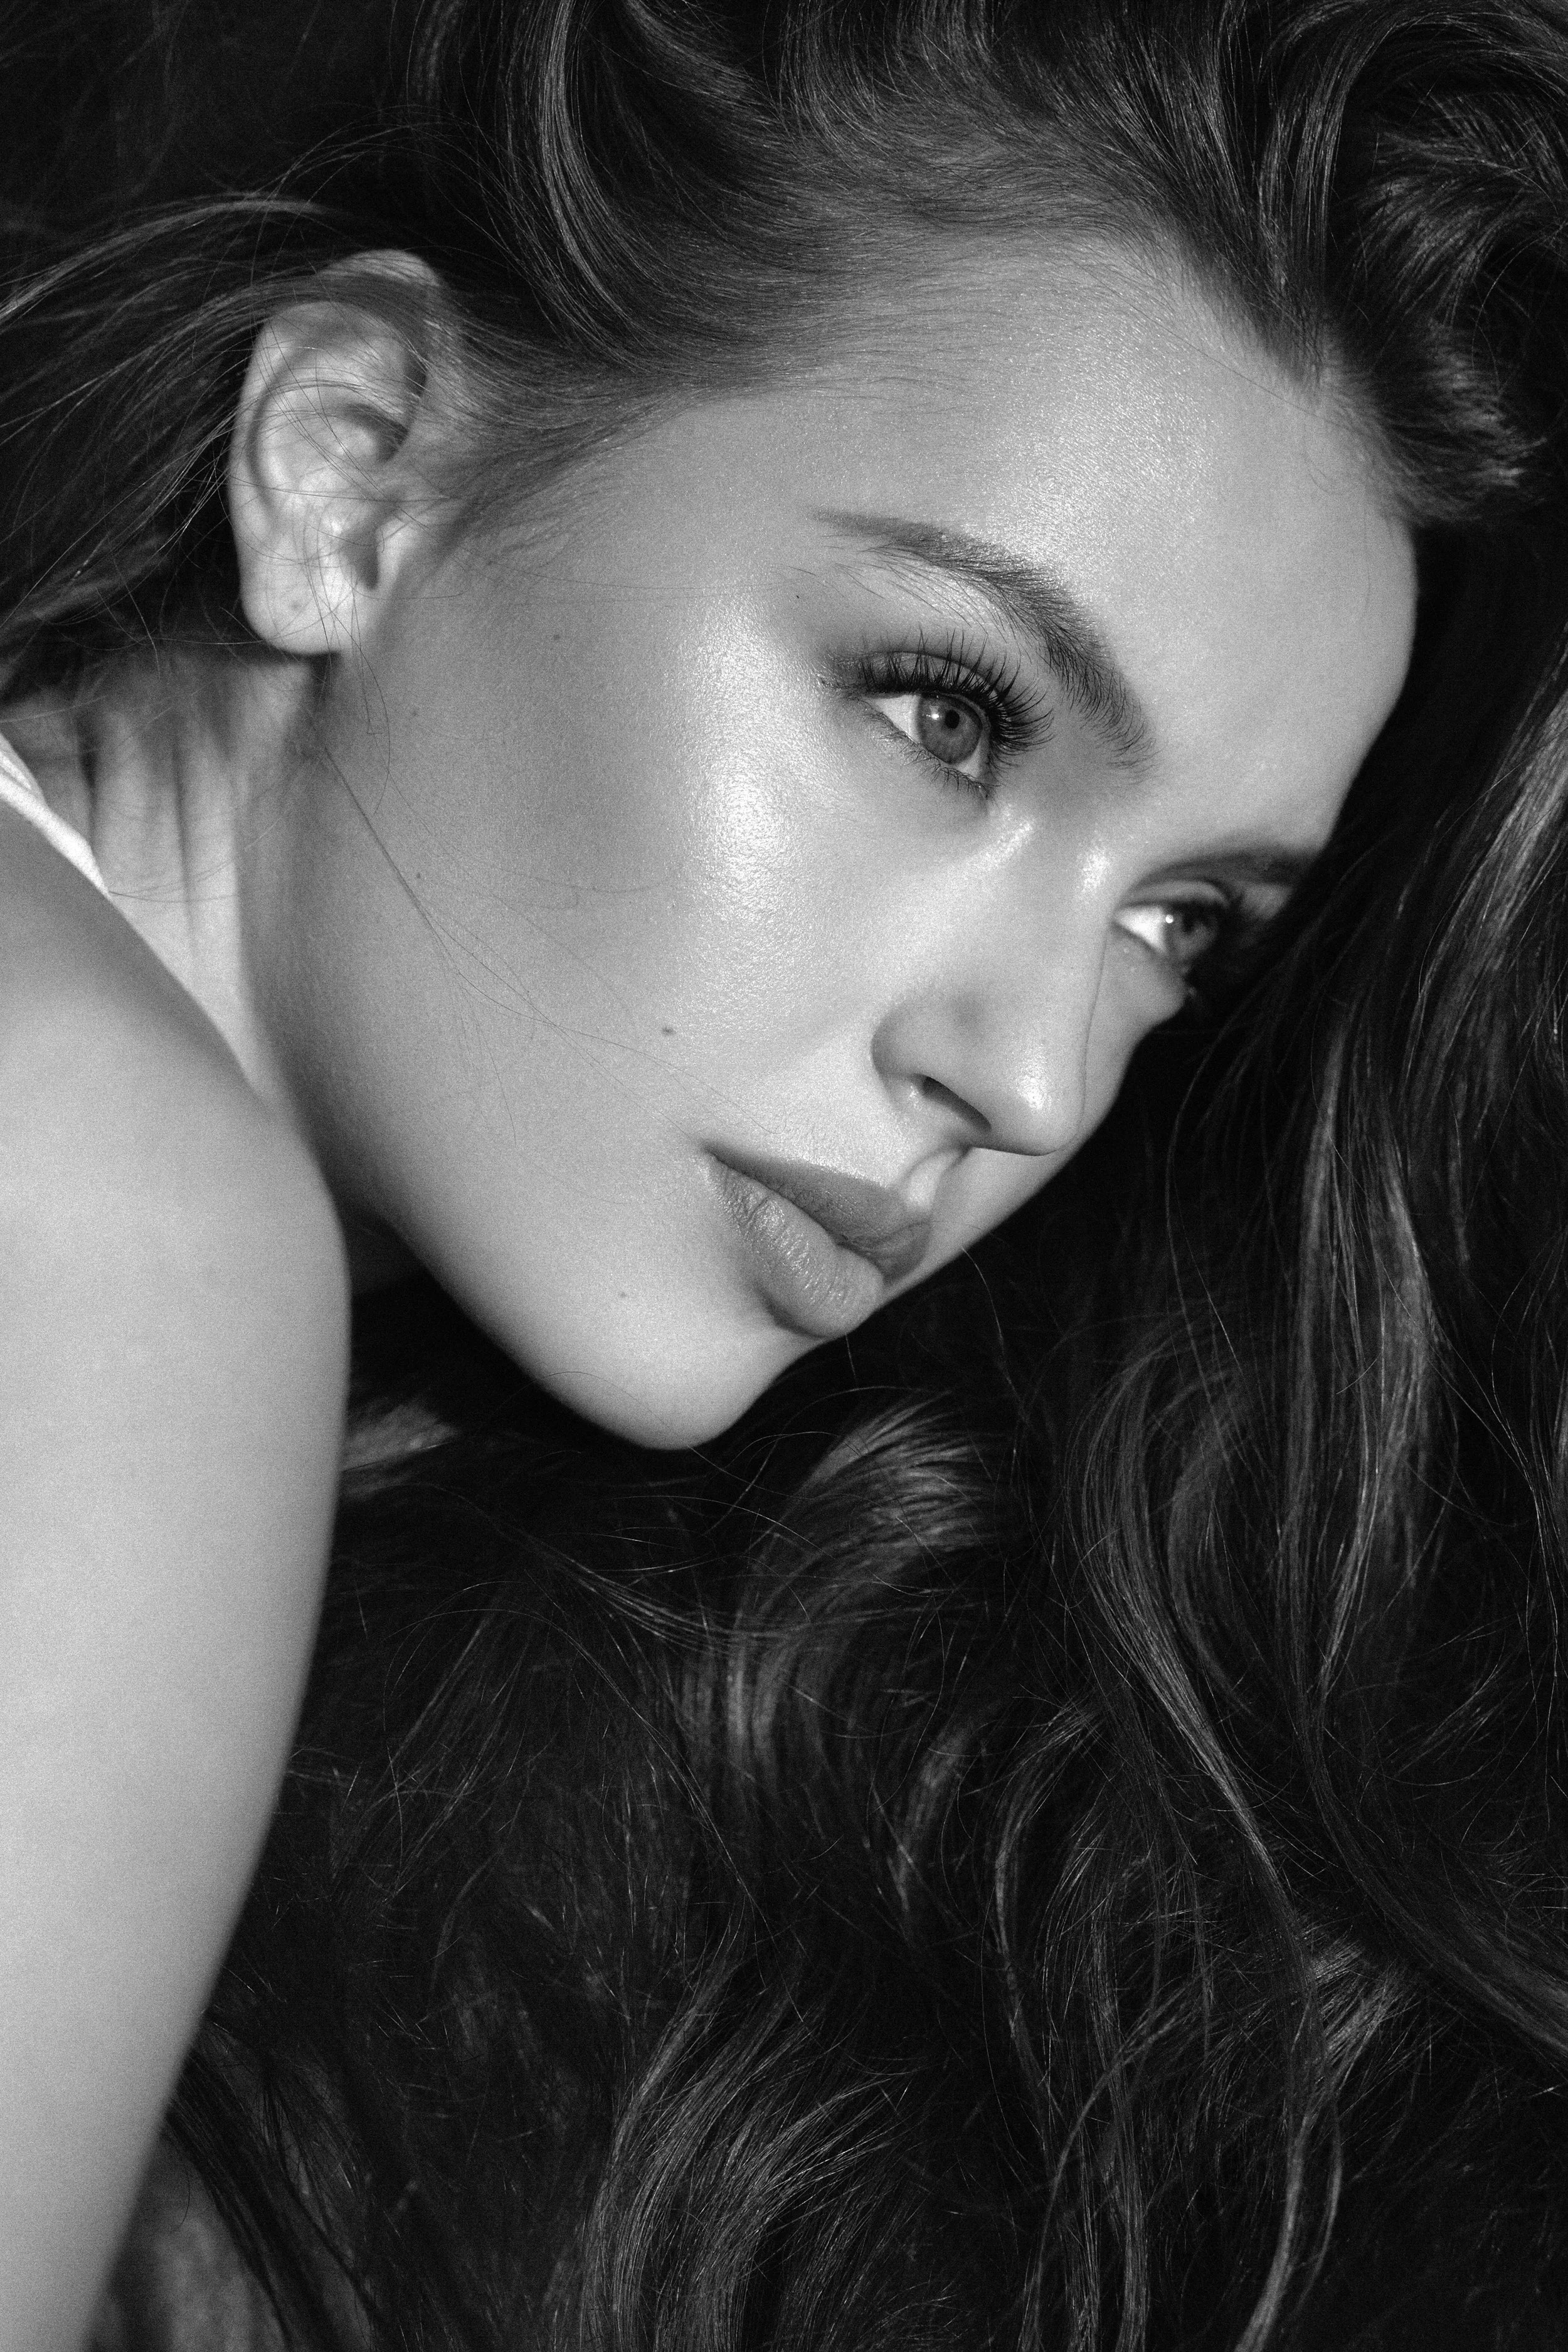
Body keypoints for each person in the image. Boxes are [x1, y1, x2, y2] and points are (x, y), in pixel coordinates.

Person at [5, 0, 1567, 2344]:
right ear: (356, 467)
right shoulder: (113, 1206)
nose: (1035, 1075)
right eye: (948, 711)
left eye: (1181, 925)